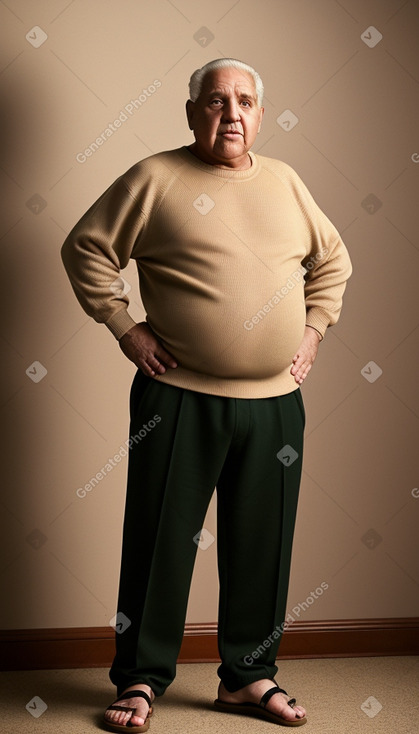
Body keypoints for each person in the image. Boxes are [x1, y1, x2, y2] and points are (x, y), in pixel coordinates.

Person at [61, 58, 352, 732]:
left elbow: (332, 258)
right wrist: (124, 328)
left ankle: (247, 679)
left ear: (259, 113)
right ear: (191, 112)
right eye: (216, 101)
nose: (232, 114)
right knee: (160, 538)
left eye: (245, 101)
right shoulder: (153, 178)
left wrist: (311, 330)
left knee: (262, 541)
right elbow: (87, 248)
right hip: (179, 395)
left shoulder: (284, 181)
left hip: (275, 399)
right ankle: (138, 679)